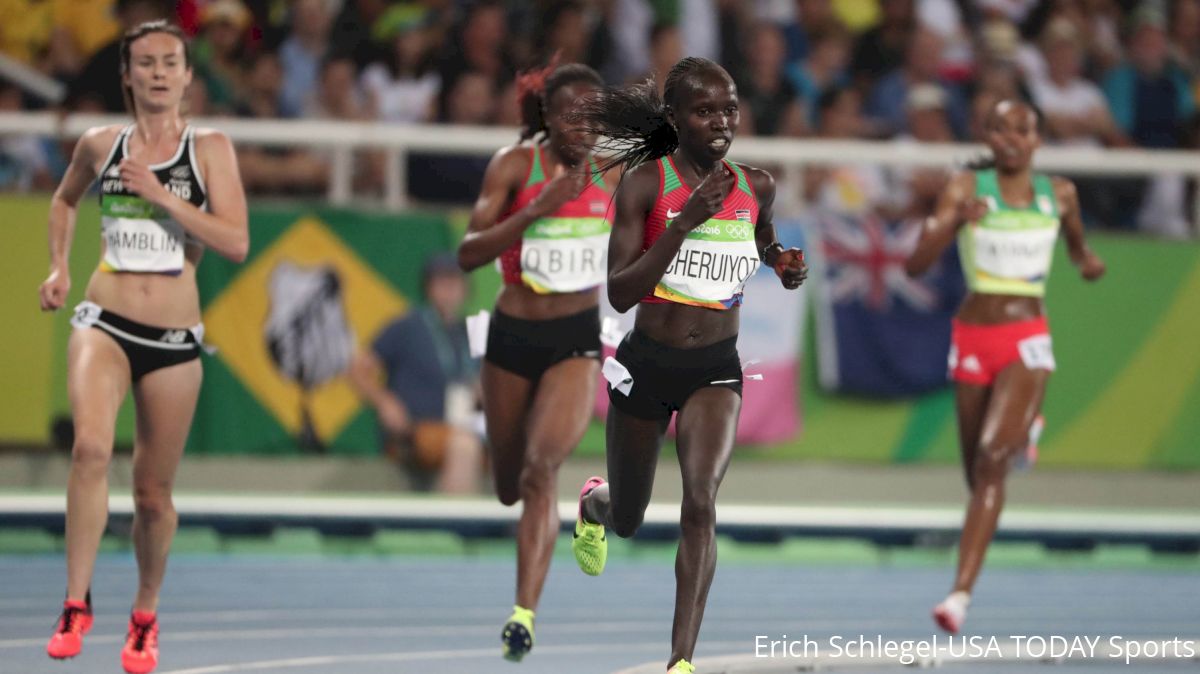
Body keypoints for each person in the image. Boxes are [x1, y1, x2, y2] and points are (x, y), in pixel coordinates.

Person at [567, 57, 807, 674]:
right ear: (676, 119)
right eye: (706, 111)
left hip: (715, 369)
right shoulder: (647, 185)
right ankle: (595, 504)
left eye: (730, 108)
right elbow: (620, 291)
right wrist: (683, 225)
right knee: (628, 519)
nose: (723, 121)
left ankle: (681, 660)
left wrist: (780, 262)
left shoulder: (757, 185)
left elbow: (762, 239)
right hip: (646, 364)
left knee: (700, 500)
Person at [39, 20, 248, 674]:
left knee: (152, 496)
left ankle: (145, 611)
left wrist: (161, 196)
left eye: (170, 63)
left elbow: (236, 242)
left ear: (188, 77)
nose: (158, 73)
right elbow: (65, 200)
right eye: (145, 64)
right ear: (127, 76)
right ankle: (75, 602)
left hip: (175, 338)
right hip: (104, 319)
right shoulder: (101, 144)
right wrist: (59, 267)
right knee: (91, 447)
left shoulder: (210, 149)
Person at [904, 100, 1104, 633]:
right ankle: (1026, 429)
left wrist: (1087, 263)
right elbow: (915, 264)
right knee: (978, 477)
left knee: (993, 459)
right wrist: (953, 226)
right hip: (972, 337)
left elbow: (1079, 249)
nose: (1011, 137)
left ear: (1037, 139)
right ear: (987, 136)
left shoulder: (1059, 194)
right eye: (999, 128)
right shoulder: (965, 189)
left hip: (1027, 338)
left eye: (1022, 129)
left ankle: (958, 598)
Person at [455, 61, 611, 662]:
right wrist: (536, 209)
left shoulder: (617, 172)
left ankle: (523, 616)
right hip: (511, 337)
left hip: (575, 337)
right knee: (506, 486)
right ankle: (587, 497)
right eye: (569, 113)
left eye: (593, 115)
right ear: (545, 115)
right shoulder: (516, 166)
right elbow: (468, 253)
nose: (582, 125)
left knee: (540, 471)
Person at [348, 254, 483, 494]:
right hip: (415, 430)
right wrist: (385, 402)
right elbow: (358, 369)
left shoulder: (472, 331)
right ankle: (456, 525)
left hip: (463, 426)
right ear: (428, 287)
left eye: (455, 282)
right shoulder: (407, 326)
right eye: (442, 282)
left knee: (511, 448)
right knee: (463, 445)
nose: (449, 289)